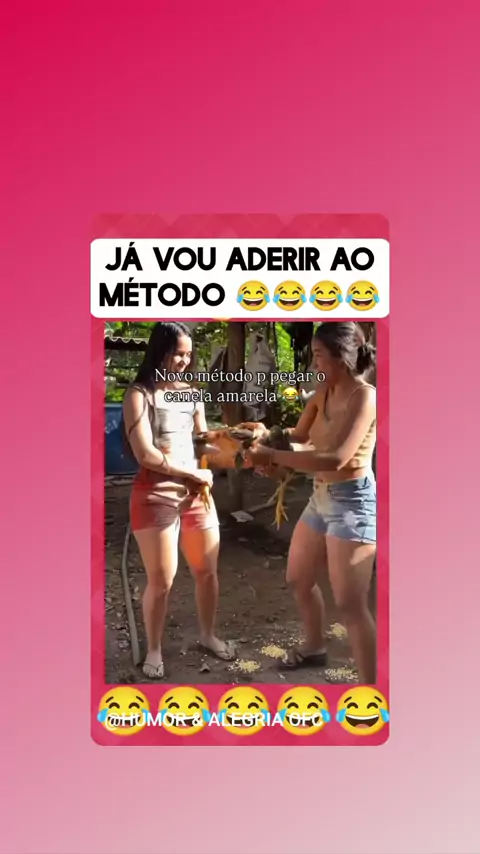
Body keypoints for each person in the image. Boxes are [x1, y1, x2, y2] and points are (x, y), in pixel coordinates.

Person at [247, 321, 377, 684]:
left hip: (352, 503)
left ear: (342, 356)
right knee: (298, 579)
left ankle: (371, 690)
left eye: (318, 355)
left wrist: (273, 455)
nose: (313, 363)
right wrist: (265, 437)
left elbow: (337, 458)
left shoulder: (364, 397)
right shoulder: (323, 392)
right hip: (320, 497)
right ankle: (316, 647)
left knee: (351, 604)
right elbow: (299, 435)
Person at [122, 321, 235, 679]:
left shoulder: (191, 394)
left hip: (197, 494)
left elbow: (202, 442)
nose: (184, 361)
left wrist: (240, 447)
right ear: (159, 352)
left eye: (188, 355)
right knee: (162, 581)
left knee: (207, 572)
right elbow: (146, 454)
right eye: (177, 354)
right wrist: (192, 473)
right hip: (155, 495)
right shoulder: (139, 395)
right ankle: (154, 649)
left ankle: (208, 635)